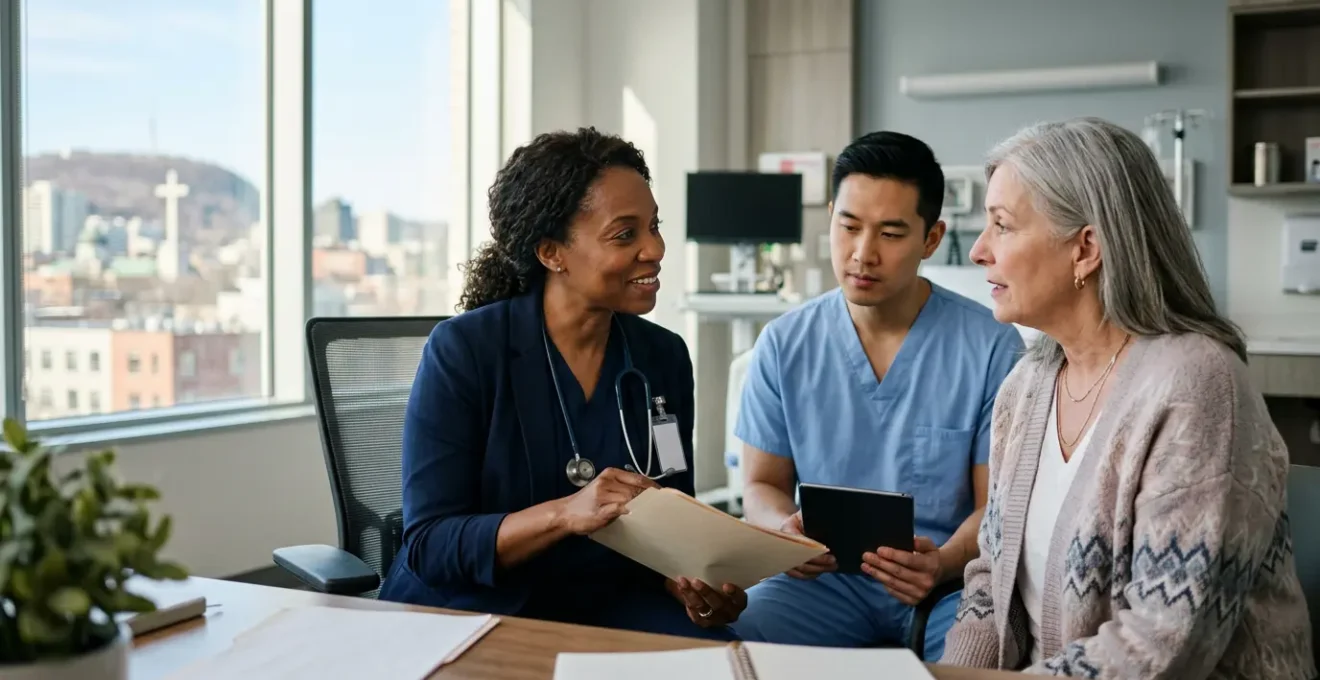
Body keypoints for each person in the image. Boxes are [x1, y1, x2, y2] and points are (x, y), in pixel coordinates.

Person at [942, 117, 1315, 677]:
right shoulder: (1025, 389)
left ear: (1085, 248)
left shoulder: (1197, 386)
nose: (978, 251)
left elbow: (1164, 644)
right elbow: (989, 582)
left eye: (1002, 226)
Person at [376, 127, 745, 640]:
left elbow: (672, 516)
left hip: (603, 602)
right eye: (625, 234)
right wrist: (565, 515)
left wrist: (692, 587)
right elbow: (429, 545)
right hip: (472, 608)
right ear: (552, 252)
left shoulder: (661, 358)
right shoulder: (465, 351)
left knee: (737, 659)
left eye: (654, 227)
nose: (655, 249)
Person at [729, 131, 1025, 660]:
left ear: (930, 239)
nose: (863, 254)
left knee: (988, 656)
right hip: (822, 583)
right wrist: (783, 533)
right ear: (831, 218)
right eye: (848, 227)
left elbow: (996, 507)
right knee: (731, 642)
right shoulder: (784, 343)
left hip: (944, 587)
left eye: (890, 233)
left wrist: (944, 562)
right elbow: (759, 484)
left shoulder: (989, 346)